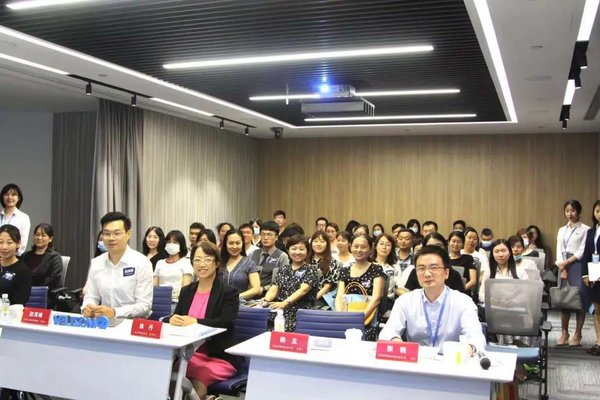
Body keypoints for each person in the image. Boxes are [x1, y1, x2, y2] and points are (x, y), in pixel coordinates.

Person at [379, 245, 486, 354]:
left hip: (450, 359)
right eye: (421, 269)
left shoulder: (463, 302)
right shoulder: (405, 301)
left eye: (434, 268)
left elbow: (476, 337)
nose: (427, 274)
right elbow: (388, 332)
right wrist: (395, 341)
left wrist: (470, 348)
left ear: (446, 273)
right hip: (416, 358)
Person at [169, 241, 239, 399]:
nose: (201, 264)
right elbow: (178, 317)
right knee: (171, 375)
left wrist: (195, 321)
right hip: (189, 355)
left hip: (218, 357)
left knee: (198, 378)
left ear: (217, 263)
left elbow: (225, 322)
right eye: (197, 260)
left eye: (207, 260)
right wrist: (173, 319)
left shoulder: (229, 292)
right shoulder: (187, 291)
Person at [82, 212, 153, 319]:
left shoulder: (142, 263)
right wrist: (87, 307)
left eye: (117, 233)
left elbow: (144, 305)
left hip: (131, 324)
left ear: (128, 234)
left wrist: (115, 312)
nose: (111, 238)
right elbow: (91, 296)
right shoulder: (96, 263)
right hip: (103, 322)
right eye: (106, 234)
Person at [262, 235, 319, 332]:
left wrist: (285, 303)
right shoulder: (283, 269)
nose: (297, 252)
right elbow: (274, 288)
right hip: (280, 311)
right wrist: (266, 299)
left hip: (300, 313)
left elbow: (303, 290)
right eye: (294, 249)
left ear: (307, 251)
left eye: (301, 249)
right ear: (288, 251)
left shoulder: (311, 269)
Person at [335, 235, 385, 340]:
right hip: (346, 318)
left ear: (370, 249)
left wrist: (358, 319)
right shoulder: (345, 270)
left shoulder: (376, 269)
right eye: (356, 246)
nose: (359, 250)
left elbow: (376, 299)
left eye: (363, 247)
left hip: (367, 320)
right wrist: (340, 317)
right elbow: (339, 296)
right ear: (350, 248)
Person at [555, 199, 590, 347]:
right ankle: (564, 332)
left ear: (579, 212)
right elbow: (558, 249)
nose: (570, 214)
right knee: (564, 299)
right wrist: (561, 266)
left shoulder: (586, 229)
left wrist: (566, 263)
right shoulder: (562, 229)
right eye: (567, 211)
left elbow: (582, 251)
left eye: (573, 211)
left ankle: (578, 333)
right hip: (562, 265)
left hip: (577, 265)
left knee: (578, 300)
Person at [478, 239, 527, 304]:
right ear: (492, 254)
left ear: (510, 253)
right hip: (493, 306)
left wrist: (511, 302)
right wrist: (491, 300)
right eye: (496, 251)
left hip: (514, 307)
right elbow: (481, 294)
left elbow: (526, 296)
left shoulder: (520, 272)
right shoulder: (488, 272)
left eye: (503, 251)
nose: (500, 255)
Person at [250, 220, 289, 295]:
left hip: (271, 295)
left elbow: (284, 280)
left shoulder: (282, 256)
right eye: (263, 234)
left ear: (276, 237)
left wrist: (264, 289)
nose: (265, 238)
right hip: (251, 294)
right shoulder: (253, 254)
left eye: (269, 235)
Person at [153, 230, 193, 305]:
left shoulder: (186, 262)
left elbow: (186, 288)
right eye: (168, 242)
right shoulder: (160, 263)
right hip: (160, 302)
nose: (171, 244)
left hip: (177, 302)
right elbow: (154, 286)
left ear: (181, 245)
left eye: (175, 242)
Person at [220, 229, 261, 299]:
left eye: (238, 243)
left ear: (242, 244)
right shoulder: (218, 263)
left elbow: (256, 289)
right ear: (225, 244)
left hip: (240, 303)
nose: (234, 246)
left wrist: (236, 297)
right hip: (219, 302)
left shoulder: (249, 263)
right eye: (231, 243)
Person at [582, 200, 600, 355]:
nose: (599, 214)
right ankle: (599, 342)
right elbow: (586, 254)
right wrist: (585, 274)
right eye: (597, 211)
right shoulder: (591, 232)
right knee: (597, 310)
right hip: (594, 274)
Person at [21, 223, 63, 291]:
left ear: (50, 239)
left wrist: (34, 289)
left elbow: (53, 281)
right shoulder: (25, 256)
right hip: (26, 292)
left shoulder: (55, 257)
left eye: (43, 235)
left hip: (47, 293)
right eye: (37, 235)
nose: (39, 238)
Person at [0, 224, 32, 305]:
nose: (4, 247)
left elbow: (19, 303)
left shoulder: (23, 271)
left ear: (18, 243)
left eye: (9, 243)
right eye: (1, 242)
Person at [308, 230, 341, 306]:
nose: (318, 244)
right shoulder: (305, 260)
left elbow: (326, 288)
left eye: (322, 241)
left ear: (327, 244)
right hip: (302, 297)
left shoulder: (333, 263)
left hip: (322, 300)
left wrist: (311, 301)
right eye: (315, 241)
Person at [0, 183, 30, 255]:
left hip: (13, 258)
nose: (10, 197)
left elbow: (22, 245)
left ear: (18, 198)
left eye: (13, 195)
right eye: (6, 194)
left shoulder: (24, 218)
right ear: (2, 197)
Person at [371, 233, 398, 311]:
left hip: (388, 303)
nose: (384, 247)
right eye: (381, 244)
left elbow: (397, 287)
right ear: (375, 246)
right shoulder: (369, 264)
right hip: (370, 301)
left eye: (388, 245)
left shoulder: (395, 267)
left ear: (392, 248)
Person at [394, 228, 415, 296]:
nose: (403, 241)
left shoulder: (416, 258)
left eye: (407, 239)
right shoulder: (391, 256)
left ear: (413, 240)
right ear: (397, 239)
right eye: (400, 238)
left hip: (410, 294)